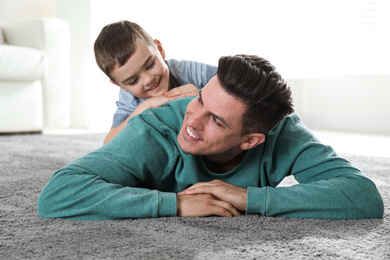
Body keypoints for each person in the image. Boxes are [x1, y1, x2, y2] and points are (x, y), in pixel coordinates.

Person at [38, 54, 384, 220]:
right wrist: (174, 204)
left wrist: (249, 197)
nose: (193, 120)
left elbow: (364, 197)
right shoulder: (158, 128)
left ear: (251, 140)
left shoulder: (283, 131)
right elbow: (57, 194)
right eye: (200, 98)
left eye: (216, 120)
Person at [94, 20, 217, 144]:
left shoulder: (185, 71)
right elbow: (109, 142)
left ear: (160, 49)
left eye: (150, 65)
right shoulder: (130, 99)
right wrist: (147, 105)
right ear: (120, 85)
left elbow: (234, 79)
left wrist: (202, 97)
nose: (148, 80)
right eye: (133, 81)